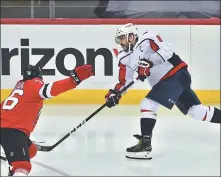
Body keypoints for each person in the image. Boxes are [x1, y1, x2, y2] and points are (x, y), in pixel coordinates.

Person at [105, 23, 220, 160]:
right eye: (120, 39)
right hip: (167, 83)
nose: (121, 42)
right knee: (196, 111)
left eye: (123, 38)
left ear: (131, 36)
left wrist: (149, 62)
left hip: (176, 74)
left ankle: (145, 146)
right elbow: (125, 81)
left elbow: (167, 50)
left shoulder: (147, 39)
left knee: (148, 103)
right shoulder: (124, 58)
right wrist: (115, 94)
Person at [0, 64, 93, 176]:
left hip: (8, 130)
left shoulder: (19, 89)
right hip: (13, 132)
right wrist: (73, 80)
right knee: (23, 167)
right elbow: (50, 89)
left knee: (31, 150)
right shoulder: (34, 84)